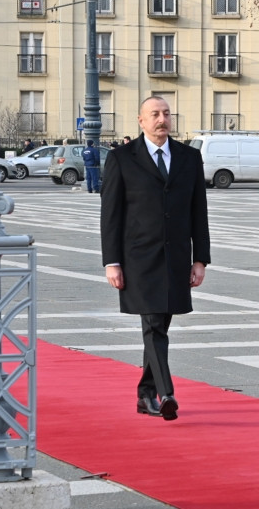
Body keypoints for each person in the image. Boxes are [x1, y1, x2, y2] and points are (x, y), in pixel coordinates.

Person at [100, 96, 210, 422]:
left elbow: (198, 212)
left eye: (166, 114)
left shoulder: (189, 158)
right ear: (141, 121)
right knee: (152, 324)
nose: (162, 119)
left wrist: (199, 259)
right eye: (155, 114)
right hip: (137, 260)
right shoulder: (122, 158)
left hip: (175, 257)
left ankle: (145, 393)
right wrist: (112, 262)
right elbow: (111, 215)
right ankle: (166, 393)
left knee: (161, 323)